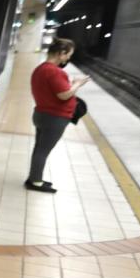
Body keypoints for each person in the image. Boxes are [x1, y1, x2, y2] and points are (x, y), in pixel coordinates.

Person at [27, 38, 89, 193]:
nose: (68, 58)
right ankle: (35, 182)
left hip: (42, 114)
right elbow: (64, 95)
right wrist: (77, 84)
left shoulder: (40, 69)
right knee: (43, 151)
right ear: (62, 53)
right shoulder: (55, 71)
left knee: (39, 149)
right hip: (54, 118)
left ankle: (35, 178)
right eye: (69, 54)